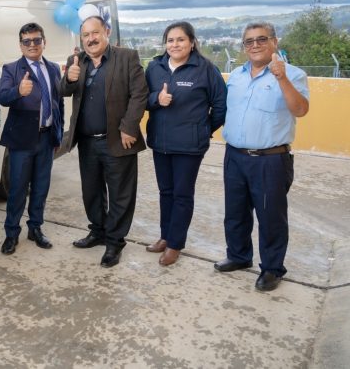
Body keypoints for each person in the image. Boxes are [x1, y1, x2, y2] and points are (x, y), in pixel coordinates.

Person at [215, 22, 309, 292]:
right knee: (235, 213)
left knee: (271, 218)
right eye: (249, 41)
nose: (255, 45)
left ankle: (272, 268)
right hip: (234, 156)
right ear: (243, 46)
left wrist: (281, 78)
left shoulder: (293, 74)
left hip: (270, 160)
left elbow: (301, 109)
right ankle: (238, 256)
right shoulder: (235, 76)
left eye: (261, 39)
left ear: (274, 42)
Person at [60, 15, 148, 268]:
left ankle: (115, 242)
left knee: (121, 194)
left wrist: (129, 127)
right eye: (86, 35)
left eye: (95, 33)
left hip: (119, 139)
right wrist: (70, 79)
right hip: (87, 141)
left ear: (106, 32)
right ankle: (97, 231)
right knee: (92, 192)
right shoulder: (76, 61)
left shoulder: (127, 57)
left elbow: (139, 94)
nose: (91, 39)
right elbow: (62, 91)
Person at [145, 21, 227, 266]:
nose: (175, 44)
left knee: (182, 195)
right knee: (165, 192)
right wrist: (157, 99)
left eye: (180, 39)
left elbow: (221, 106)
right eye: (170, 40)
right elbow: (141, 99)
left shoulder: (205, 69)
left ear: (192, 42)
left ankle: (175, 244)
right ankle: (165, 235)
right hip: (161, 143)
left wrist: (202, 129)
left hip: (190, 147)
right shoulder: (154, 67)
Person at [0, 22, 64, 255]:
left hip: (46, 139)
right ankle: (11, 234)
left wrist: (58, 134)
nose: (32, 45)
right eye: (27, 41)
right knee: (17, 190)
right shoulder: (12, 69)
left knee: (41, 188)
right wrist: (18, 91)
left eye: (37, 40)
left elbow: (59, 103)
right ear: (21, 45)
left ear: (44, 42)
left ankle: (35, 229)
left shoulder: (54, 69)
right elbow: (2, 97)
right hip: (22, 142)